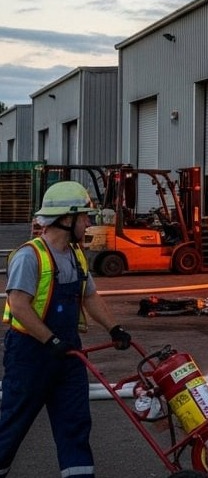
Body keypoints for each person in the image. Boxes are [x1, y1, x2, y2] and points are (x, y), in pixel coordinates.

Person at [0, 181, 132, 477]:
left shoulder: (76, 255)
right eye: (84, 216)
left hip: (68, 354)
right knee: (12, 425)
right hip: (30, 355)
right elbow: (19, 305)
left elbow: (90, 297)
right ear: (66, 218)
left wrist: (115, 329)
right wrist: (50, 340)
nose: (89, 222)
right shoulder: (29, 256)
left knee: (74, 424)